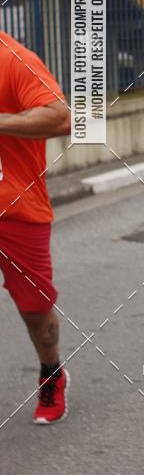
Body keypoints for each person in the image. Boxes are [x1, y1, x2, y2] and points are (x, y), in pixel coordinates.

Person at [0, 31, 71, 422]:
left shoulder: (14, 59)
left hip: (16, 209)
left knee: (36, 312)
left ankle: (51, 371)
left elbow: (60, 117)